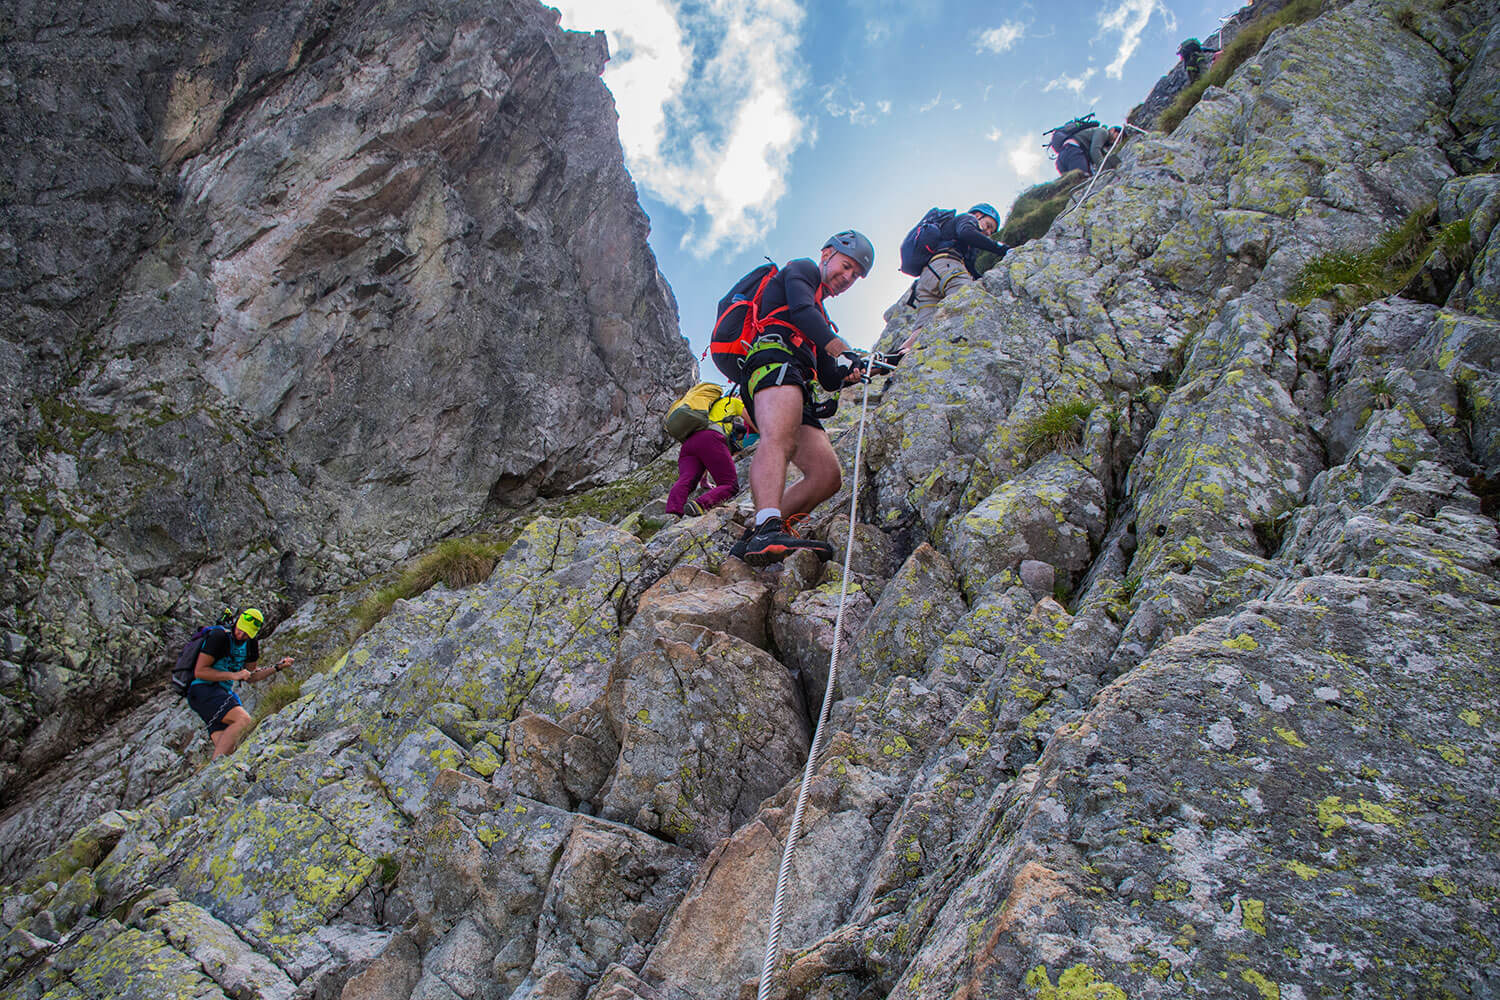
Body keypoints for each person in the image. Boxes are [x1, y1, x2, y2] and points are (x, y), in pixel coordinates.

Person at [731, 231, 874, 565]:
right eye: (846, 265)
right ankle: (768, 525)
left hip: (798, 383)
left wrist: (852, 371)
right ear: (827, 254)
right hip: (773, 362)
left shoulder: (821, 317)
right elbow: (799, 312)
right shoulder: (803, 269)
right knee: (777, 438)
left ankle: (757, 536)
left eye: (855, 275)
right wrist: (843, 349)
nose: (847, 276)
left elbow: (827, 377)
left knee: (827, 475)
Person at [186, 608, 293, 757]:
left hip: (221, 694)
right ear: (236, 623)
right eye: (240, 629)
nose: (241, 634)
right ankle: (212, 773)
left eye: (247, 633)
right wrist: (234, 675)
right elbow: (200, 671)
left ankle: (213, 775)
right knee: (243, 720)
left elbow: (251, 676)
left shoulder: (250, 644)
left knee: (227, 751)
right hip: (202, 690)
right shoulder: (219, 637)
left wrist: (277, 667)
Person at [906, 203, 1010, 332]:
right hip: (947, 266)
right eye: (988, 226)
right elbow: (967, 233)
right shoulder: (968, 219)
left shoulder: (955, 237)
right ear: (978, 215)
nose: (988, 232)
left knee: (923, 328)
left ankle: (905, 350)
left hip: (926, 278)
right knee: (969, 300)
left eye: (991, 232)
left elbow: (970, 267)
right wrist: (1002, 249)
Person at [666, 389, 747, 517]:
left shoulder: (706, 408)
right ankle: (700, 504)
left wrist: (704, 481)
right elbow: (752, 419)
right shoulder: (734, 401)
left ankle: (672, 512)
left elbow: (705, 458)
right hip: (710, 439)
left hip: (689, 444)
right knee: (730, 485)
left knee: (686, 480)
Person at [1055, 124, 1121, 177]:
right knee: (1083, 179)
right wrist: (1103, 168)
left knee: (1073, 185)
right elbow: (1094, 150)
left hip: (1063, 156)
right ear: (1112, 130)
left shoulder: (1102, 143)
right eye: (1118, 136)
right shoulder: (1103, 132)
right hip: (1073, 152)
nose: (1117, 141)